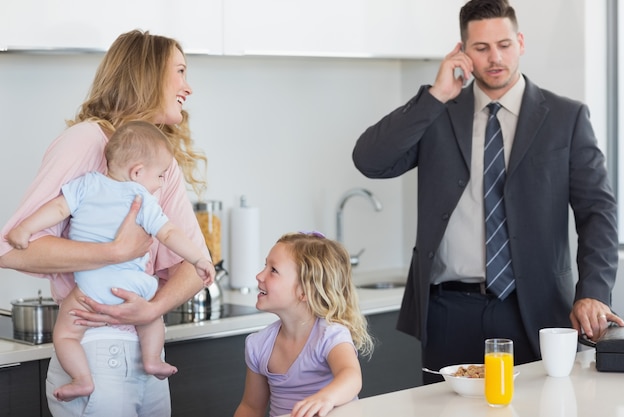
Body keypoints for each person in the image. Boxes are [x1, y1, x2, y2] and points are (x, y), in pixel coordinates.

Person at [352, 0, 624, 385]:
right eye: (481, 48)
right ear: (462, 51)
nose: (495, 57)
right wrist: (435, 95)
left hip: (535, 310)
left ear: (521, 42)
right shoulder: (438, 113)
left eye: (504, 44)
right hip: (448, 311)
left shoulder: (567, 118)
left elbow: (598, 211)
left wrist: (594, 291)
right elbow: (370, 160)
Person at [0, 30, 216, 416]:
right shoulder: (86, 141)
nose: (189, 87)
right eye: (180, 71)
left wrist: (152, 310)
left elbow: (194, 262)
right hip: (95, 348)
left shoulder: (158, 166)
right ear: (147, 76)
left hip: (146, 352)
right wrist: (113, 252)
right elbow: (12, 249)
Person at [233, 232, 374, 417]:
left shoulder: (329, 336)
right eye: (264, 266)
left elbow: (351, 376)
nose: (259, 276)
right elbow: (251, 408)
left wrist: (325, 398)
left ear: (305, 291)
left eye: (273, 270)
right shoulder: (258, 345)